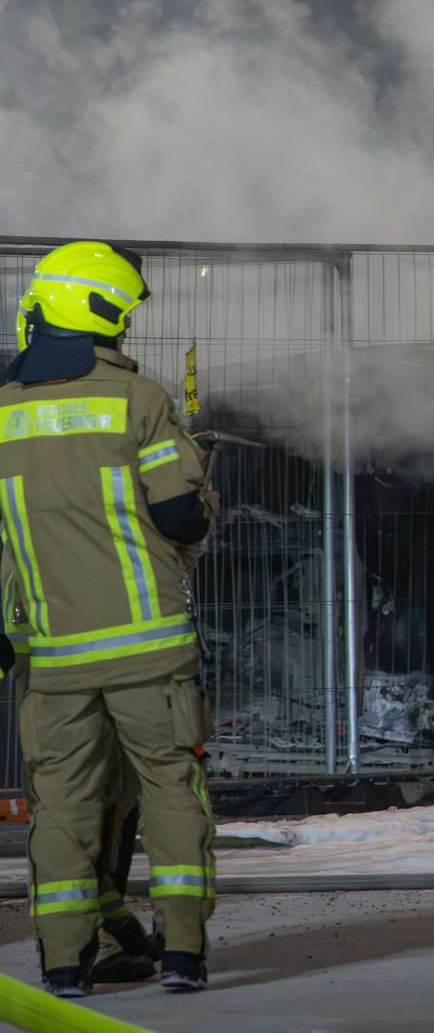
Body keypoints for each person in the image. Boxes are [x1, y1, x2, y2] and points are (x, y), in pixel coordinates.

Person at [0, 241, 219, 996]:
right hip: (150, 654)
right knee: (168, 790)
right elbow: (181, 514)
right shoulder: (141, 401)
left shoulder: (0, 413)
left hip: (55, 661)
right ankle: (184, 954)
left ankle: (64, 964)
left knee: (61, 807)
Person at [2, 556, 159, 984]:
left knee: (114, 806)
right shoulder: (28, 509)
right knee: (70, 814)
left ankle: (103, 934)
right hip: (56, 679)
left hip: (101, 667)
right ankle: (74, 948)